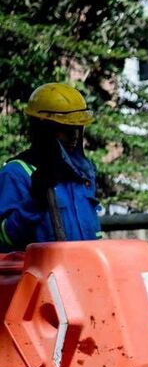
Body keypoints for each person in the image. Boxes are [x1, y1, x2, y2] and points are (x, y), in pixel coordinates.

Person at [0, 82, 100, 252]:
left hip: (86, 272)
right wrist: (34, 201)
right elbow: (3, 240)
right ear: (42, 130)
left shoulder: (84, 173)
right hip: (44, 276)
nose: (74, 136)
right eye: (65, 128)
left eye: (77, 128)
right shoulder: (16, 173)